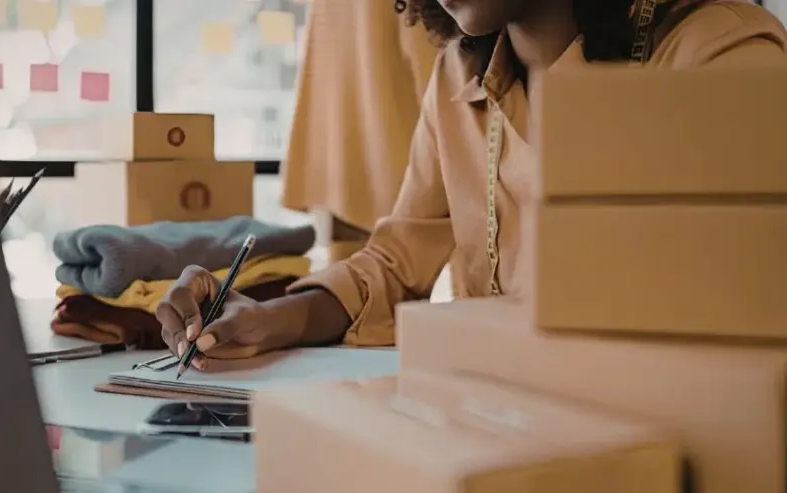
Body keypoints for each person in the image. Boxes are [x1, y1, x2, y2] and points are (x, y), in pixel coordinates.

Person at [157, 0, 787, 369]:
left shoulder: (719, 55)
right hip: (515, 431)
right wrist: (271, 318)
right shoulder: (459, 77)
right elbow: (394, 265)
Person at [280, 0, 440, 262]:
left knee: (348, 291)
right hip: (395, 163)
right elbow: (440, 71)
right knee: (474, 288)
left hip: (338, 155)